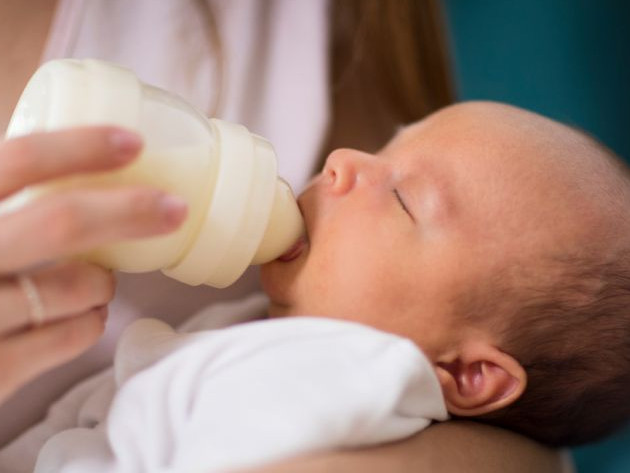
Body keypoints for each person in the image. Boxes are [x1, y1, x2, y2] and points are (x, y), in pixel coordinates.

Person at [0, 1, 568, 472]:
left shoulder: (364, 380)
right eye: (384, 148)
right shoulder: (243, 331)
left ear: (469, 375)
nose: (342, 161)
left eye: (401, 198)